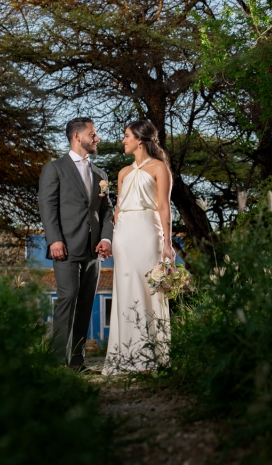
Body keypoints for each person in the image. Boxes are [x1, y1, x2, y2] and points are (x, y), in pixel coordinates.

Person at [38, 117, 114, 371]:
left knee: (85, 304)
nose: (97, 139)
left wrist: (105, 238)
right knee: (67, 297)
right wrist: (54, 239)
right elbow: (47, 206)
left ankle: (77, 362)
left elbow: (106, 211)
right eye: (93, 134)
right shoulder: (55, 168)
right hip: (66, 246)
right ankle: (58, 361)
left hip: (94, 250)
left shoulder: (100, 174)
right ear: (77, 137)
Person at [103, 119, 175, 374]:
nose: (123, 140)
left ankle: (151, 355)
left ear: (140, 139)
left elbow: (164, 206)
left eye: (126, 135)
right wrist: (111, 237)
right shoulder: (123, 172)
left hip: (147, 230)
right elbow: (119, 209)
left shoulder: (159, 168)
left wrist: (168, 242)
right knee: (125, 288)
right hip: (124, 233)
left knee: (149, 288)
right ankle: (126, 356)